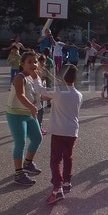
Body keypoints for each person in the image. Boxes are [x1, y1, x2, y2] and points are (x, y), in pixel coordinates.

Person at [41, 65, 83, 204]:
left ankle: (57, 187)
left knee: (55, 160)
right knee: (68, 157)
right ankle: (67, 182)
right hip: (72, 131)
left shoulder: (57, 91)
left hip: (59, 131)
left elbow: (41, 92)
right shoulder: (79, 95)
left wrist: (37, 78)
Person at [5, 51, 43, 186]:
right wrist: (32, 107)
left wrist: (56, 97)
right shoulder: (19, 77)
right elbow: (20, 95)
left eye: (35, 62)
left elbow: (37, 95)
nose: (33, 64)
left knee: (37, 138)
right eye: (29, 62)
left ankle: (28, 163)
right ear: (22, 64)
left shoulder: (33, 78)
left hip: (28, 113)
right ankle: (19, 174)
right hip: (16, 114)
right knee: (20, 143)